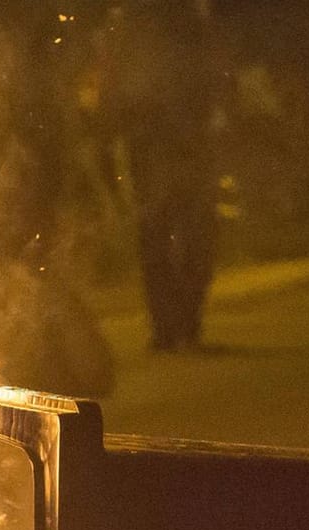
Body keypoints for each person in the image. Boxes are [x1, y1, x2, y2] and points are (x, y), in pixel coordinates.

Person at [105, 0, 222, 353]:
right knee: (176, 230)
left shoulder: (136, 17)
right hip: (164, 136)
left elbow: (210, 69)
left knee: (172, 230)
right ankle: (177, 325)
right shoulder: (144, 17)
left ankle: (175, 325)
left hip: (171, 136)